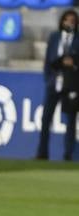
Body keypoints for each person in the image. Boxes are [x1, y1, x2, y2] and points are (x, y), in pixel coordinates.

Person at [36, 9, 78, 162]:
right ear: (62, 21)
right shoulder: (55, 37)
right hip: (54, 83)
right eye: (67, 20)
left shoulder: (78, 39)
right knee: (46, 118)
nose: (70, 23)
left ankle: (68, 154)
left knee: (70, 120)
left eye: (73, 21)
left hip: (71, 84)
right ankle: (42, 153)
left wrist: (74, 64)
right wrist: (48, 79)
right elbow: (48, 60)